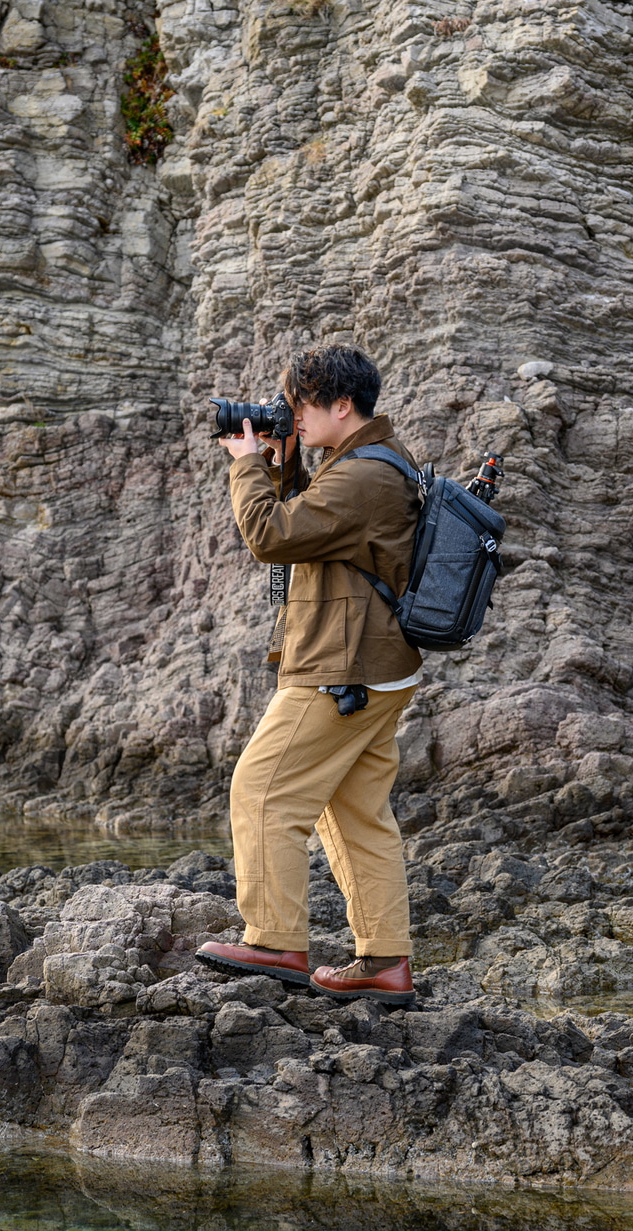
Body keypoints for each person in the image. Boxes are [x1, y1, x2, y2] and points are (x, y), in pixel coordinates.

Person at [194, 345, 421, 1005]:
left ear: (341, 405)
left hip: (341, 669)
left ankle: (274, 942)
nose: (290, 415)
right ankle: (384, 961)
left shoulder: (362, 477)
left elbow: (271, 536)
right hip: (376, 664)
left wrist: (246, 466)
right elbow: (314, 525)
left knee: (262, 791)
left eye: (300, 405)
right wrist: (282, 459)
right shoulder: (372, 462)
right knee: (354, 815)